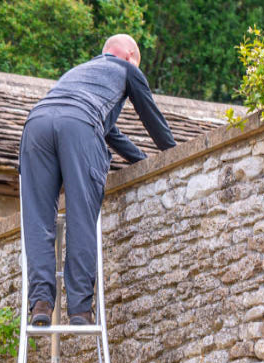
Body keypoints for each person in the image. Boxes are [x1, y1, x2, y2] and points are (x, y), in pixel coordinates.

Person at [19, 33, 177, 326]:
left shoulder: (79, 74)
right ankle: (79, 310)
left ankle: (41, 302)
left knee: (39, 219)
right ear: (130, 56)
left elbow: (109, 132)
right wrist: (175, 155)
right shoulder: (127, 69)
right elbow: (151, 117)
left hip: (36, 124)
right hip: (78, 128)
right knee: (81, 216)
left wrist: (143, 161)